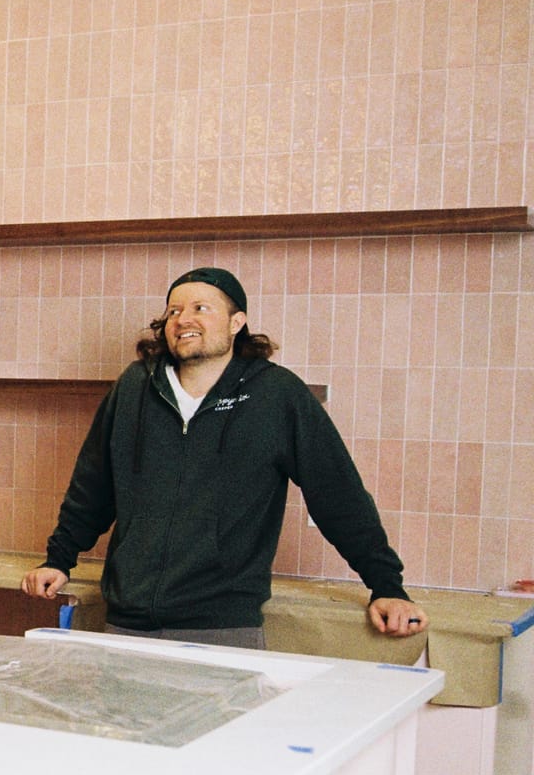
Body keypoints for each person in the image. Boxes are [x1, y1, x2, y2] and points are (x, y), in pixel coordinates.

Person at [22, 266, 426, 647]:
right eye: (174, 311)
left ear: (236, 323)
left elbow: (337, 494)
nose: (183, 319)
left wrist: (386, 585)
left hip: (223, 625)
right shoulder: (134, 387)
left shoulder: (277, 395)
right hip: (127, 620)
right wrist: (59, 559)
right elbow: (93, 485)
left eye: (201, 308)